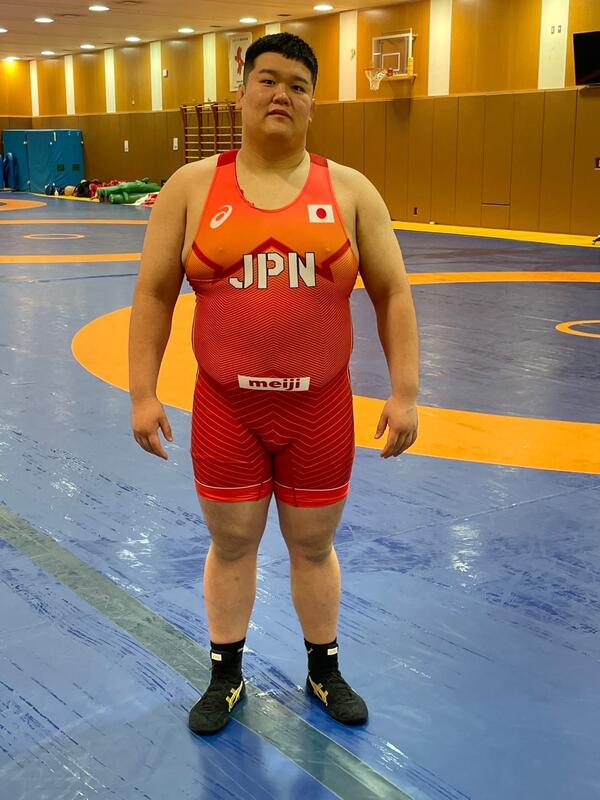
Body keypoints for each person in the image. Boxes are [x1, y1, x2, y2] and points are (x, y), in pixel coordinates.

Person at [128, 32, 419, 736]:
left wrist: (405, 391)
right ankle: (225, 674)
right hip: (227, 408)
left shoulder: (350, 190)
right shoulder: (192, 187)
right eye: (267, 79)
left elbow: (394, 293)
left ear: (313, 103)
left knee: (314, 544)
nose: (281, 93)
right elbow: (154, 293)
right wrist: (142, 392)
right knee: (231, 543)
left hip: (319, 409)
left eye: (297, 84)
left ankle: (325, 669)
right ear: (242, 92)